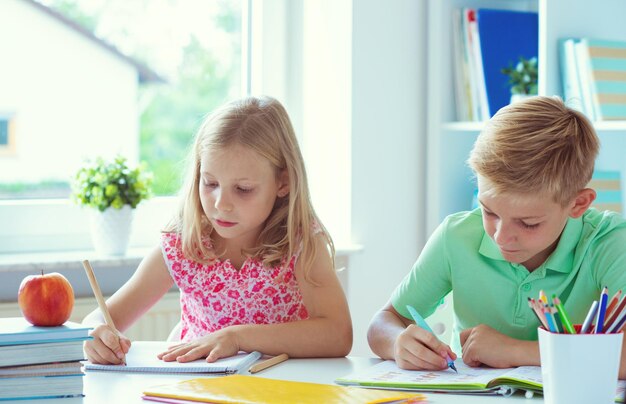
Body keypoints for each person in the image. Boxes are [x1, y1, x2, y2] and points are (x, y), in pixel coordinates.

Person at [367, 96, 626, 377]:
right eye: (489, 211)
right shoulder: (457, 236)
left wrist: (514, 351)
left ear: (578, 204)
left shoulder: (611, 243)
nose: (501, 237)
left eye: (528, 223)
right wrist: (397, 343)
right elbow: (385, 321)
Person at [83, 96, 352, 364]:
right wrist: (94, 334)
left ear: (283, 182)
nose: (221, 204)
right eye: (210, 183)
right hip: (199, 389)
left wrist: (237, 337)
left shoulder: (300, 244)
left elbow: (338, 335)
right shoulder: (184, 244)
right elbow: (101, 318)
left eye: (243, 189)